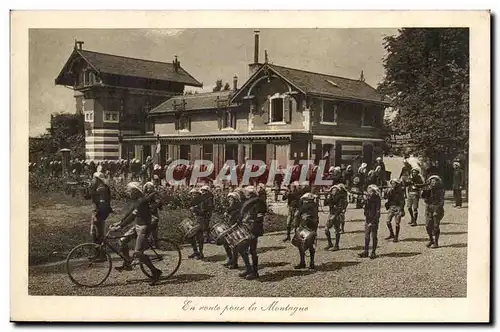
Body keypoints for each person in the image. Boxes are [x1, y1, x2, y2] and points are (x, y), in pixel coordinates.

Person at [110, 182, 162, 285]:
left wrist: (120, 226)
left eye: (129, 191)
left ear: (135, 191)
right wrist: (120, 222)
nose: (128, 193)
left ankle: (155, 271)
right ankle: (127, 263)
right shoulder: (136, 200)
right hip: (137, 226)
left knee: (138, 253)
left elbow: (132, 216)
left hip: (144, 227)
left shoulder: (142, 201)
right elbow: (130, 213)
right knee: (122, 241)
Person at [238, 186, 267, 280]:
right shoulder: (250, 202)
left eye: (248, 193)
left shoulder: (258, 203)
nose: (247, 195)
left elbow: (260, 216)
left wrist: (250, 220)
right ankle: (249, 269)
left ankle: (254, 272)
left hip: (254, 229)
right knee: (242, 248)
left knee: (252, 250)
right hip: (248, 227)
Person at [86, 171, 113, 260]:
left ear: (97, 179)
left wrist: (96, 215)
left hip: (99, 213)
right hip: (98, 212)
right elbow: (88, 196)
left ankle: (101, 255)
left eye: (94, 178)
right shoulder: (99, 188)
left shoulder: (101, 189)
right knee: (95, 234)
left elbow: (103, 203)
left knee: (98, 234)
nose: (92, 180)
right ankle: (98, 254)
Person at [293, 192, 319, 270]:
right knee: (307, 244)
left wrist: (296, 225)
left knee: (305, 243)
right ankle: (309, 263)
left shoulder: (307, 206)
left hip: (307, 227)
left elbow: (297, 215)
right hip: (308, 226)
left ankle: (305, 262)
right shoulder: (313, 206)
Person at [422, 175, 445, 248]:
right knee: (427, 226)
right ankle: (431, 240)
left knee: (436, 226)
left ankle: (436, 242)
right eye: (431, 181)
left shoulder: (441, 190)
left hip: (437, 208)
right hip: (429, 208)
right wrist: (425, 190)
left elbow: (441, 201)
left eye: (434, 181)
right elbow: (423, 197)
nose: (433, 183)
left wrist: (437, 210)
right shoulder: (428, 189)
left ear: (438, 182)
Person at [359, 184, 382, 259]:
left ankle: (373, 252)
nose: (368, 191)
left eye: (370, 190)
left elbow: (378, 211)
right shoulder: (368, 198)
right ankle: (366, 251)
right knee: (366, 236)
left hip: (374, 219)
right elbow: (365, 208)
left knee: (374, 236)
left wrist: (373, 222)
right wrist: (364, 201)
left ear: (373, 191)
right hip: (368, 218)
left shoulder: (376, 198)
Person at [323, 184, 347, 251]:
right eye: (332, 190)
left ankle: (336, 245)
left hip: (337, 215)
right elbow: (325, 203)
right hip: (331, 214)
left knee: (337, 230)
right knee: (326, 229)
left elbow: (340, 208)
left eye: (335, 190)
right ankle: (330, 243)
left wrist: (335, 216)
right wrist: (326, 197)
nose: (333, 191)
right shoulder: (331, 197)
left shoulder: (340, 198)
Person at [223, 191, 242, 269]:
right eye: (229, 199)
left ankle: (235, 263)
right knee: (225, 243)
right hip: (230, 227)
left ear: (235, 200)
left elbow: (239, 220)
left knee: (234, 246)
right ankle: (231, 259)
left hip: (235, 228)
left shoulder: (238, 208)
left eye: (231, 199)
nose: (230, 201)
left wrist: (234, 226)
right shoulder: (230, 209)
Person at [143, 181, 163, 246]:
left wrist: (151, 207)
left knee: (153, 229)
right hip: (148, 214)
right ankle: (151, 243)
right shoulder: (147, 194)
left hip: (153, 214)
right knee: (149, 229)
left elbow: (158, 202)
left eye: (150, 187)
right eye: (148, 187)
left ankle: (156, 243)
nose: (149, 189)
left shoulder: (154, 194)